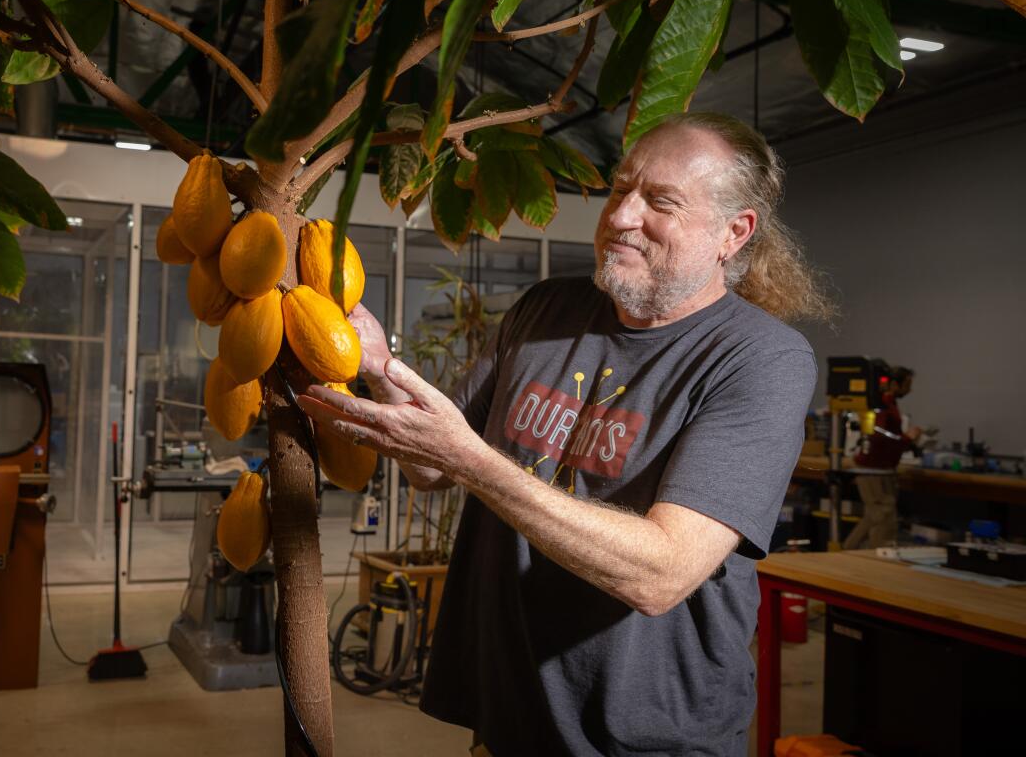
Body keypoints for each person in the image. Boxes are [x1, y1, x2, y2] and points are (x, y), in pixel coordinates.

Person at [299, 112, 833, 756]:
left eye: (660, 201)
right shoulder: (544, 310)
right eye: (619, 190)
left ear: (733, 232)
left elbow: (660, 574)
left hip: (644, 737)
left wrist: (470, 460)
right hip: (509, 712)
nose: (622, 216)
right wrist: (381, 371)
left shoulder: (758, 358)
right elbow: (431, 468)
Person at [843, 366, 921, 549]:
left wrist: (906, 441)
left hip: (882, 468)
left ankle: (848, 550)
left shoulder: (890, 404)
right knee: (882, 515)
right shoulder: (882, 404)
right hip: (872, 468)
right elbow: (878, 436)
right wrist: (907, 438)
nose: (909, 389)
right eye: (907, 384)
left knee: (877, 514)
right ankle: (859, 553)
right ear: (894, 384)